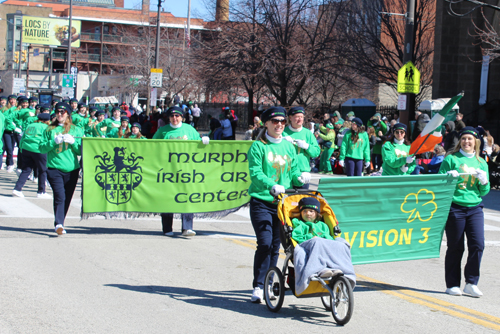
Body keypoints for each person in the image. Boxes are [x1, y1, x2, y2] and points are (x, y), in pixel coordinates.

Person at [247, 106, 309, 303]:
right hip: (262, 201)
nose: (280, 125)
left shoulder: (289, 146)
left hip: (282, 204)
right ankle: (257, 286)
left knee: (276, 246)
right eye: (275, 122)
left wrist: (300, 178)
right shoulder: (258, 147)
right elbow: (256, 173)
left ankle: (269, 282)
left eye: (282, 122)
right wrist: (272, 185)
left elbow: (293, 172)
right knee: (264, 243)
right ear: (266, 124)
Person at [439, 126, 490, 297]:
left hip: (475, 208)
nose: (466, 142)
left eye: (470, 139)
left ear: (476, 142)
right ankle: (452, 284)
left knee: (477, 244)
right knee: (455, 246)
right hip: (455, 207)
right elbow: (439, 185)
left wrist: (484, 181)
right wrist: (447, 178)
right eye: (463, 139)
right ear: (459, 141)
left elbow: (484, 191)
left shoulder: (482, 163)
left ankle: (471, 282)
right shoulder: (451, 159)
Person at [153, 106, 210, 236]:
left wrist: (204, 141)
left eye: (177, 116)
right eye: (172, 116)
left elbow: (198, 146)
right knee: (168, 198)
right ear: (169, 118)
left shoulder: (189, 130)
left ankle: (187, 227)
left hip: (186, 171)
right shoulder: (163, 131)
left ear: (182, 117)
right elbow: (152, 147)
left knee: (187, 197)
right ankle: (167, 228)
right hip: (168, 171)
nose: (175, 118)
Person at [291, 197, 356, 295]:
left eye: (311, 211)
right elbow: (296, 236)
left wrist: (328, 241)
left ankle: (341, 268)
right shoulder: (299, 223)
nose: (308, 213)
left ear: (317, 213)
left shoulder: (322, 225)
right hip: (306, 245)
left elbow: (328, 237)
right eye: (304, 211)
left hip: (321, 244)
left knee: (342, 244)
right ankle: (320, 269)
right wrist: (310, 237)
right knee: (317, 241)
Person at [38, 102, 84, 235]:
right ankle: (58, 223)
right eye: (57, 111)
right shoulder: (49, 130)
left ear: (68, 114)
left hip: (72, 169)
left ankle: (60, 222)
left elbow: (81, 151)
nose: (59, 114)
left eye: (62, 112)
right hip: (54, 168)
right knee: (60, 195)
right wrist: (54, 142)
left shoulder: (76, 130)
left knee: (67, 197)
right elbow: (41, 148)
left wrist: (74, 142)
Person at [12, 113, 52, 199]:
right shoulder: (46, 127)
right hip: (39, 149)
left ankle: (17, 189)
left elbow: (23, 137)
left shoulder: (30, 125)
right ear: (47, 121)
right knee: (43, 170)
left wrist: (21, 148)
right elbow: (50, 139)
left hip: (26, 149)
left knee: (26, 170)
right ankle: (41, 191)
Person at [283, 106, 320, 186]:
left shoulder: (307, 133)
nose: (300, 119)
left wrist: (307, 146)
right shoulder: (284, 132)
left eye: (301, 117)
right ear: (290, 118)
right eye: (297, 117)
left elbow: (316, 152)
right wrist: (282, 141)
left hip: (303, 173)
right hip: (286, 172)